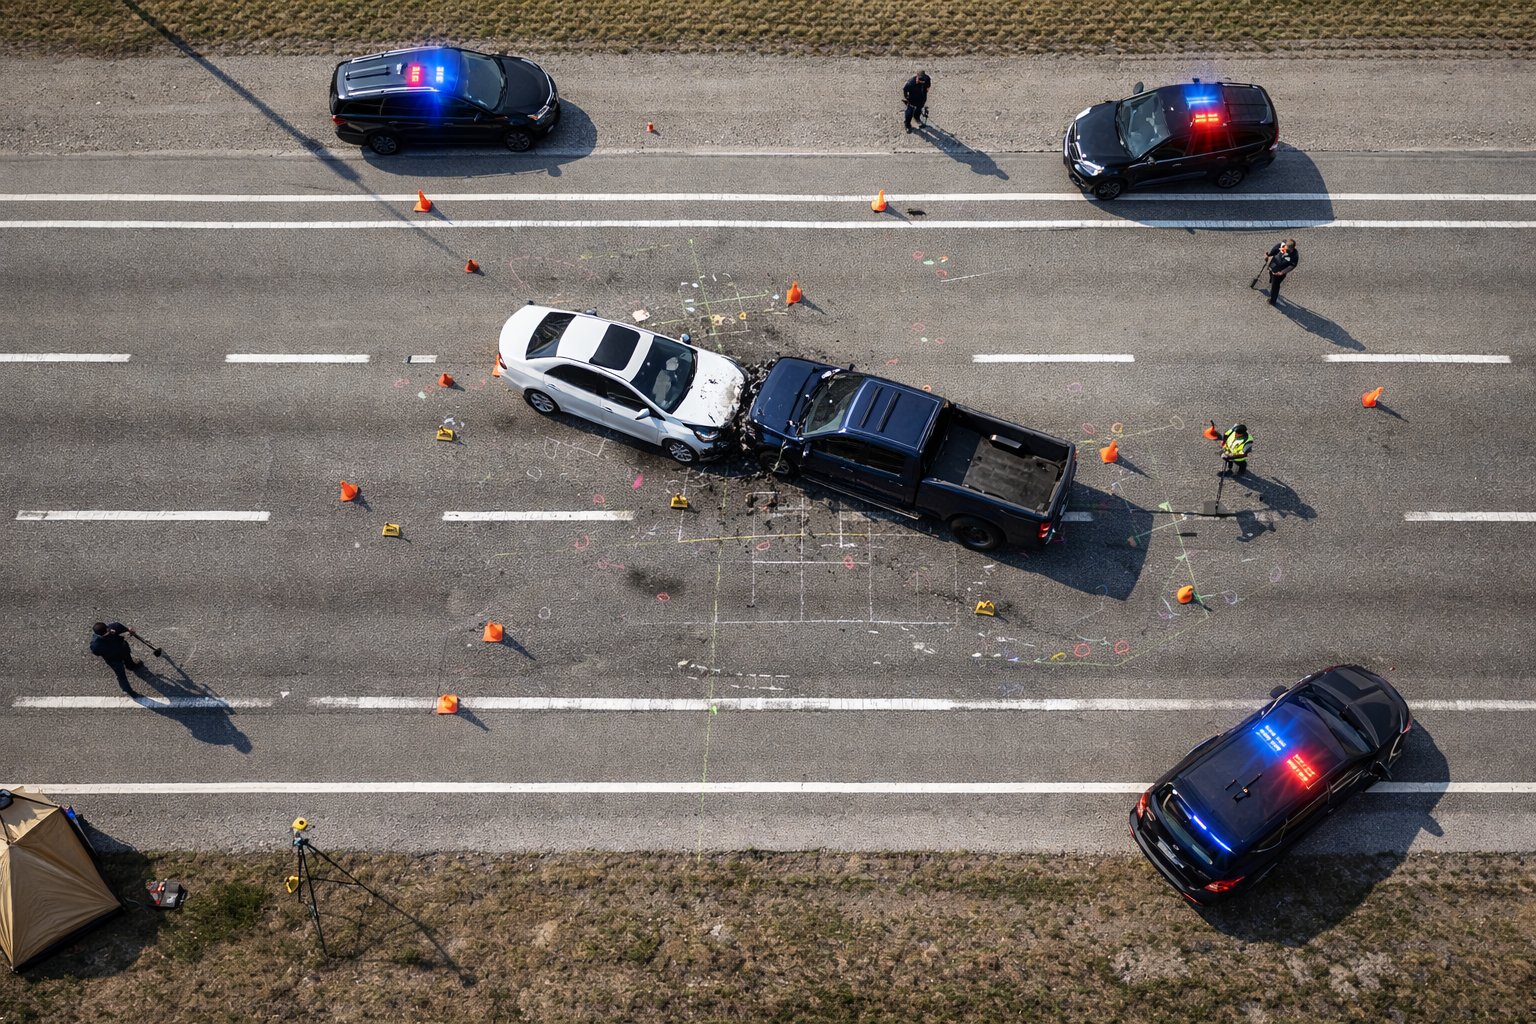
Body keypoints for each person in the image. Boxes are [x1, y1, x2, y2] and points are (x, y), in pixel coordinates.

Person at [90, 621, 143, 697]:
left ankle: (129, 691)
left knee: (121, 675)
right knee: (127, 659)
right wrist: (129, 630)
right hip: (123, 650)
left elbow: (96, 652)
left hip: (113, 659)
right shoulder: (113, 628)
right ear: (107, 628)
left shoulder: (95, 644)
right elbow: (121, 627)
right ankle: (131, 666)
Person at [1263, 238, 1299, 305]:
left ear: (1293, 248)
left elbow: (1292, 266)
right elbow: (1270, 255)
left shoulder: (1294, 255)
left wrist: (1282, 272)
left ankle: (1272, 301)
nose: (1286, 251)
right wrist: (1266, 257)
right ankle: (1272, 280)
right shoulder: (1279, 246)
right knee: (1272, 278)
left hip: (1280, 273)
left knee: (1275, 286)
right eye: (1286, 249)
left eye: (1289, 250)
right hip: (1273, 267)